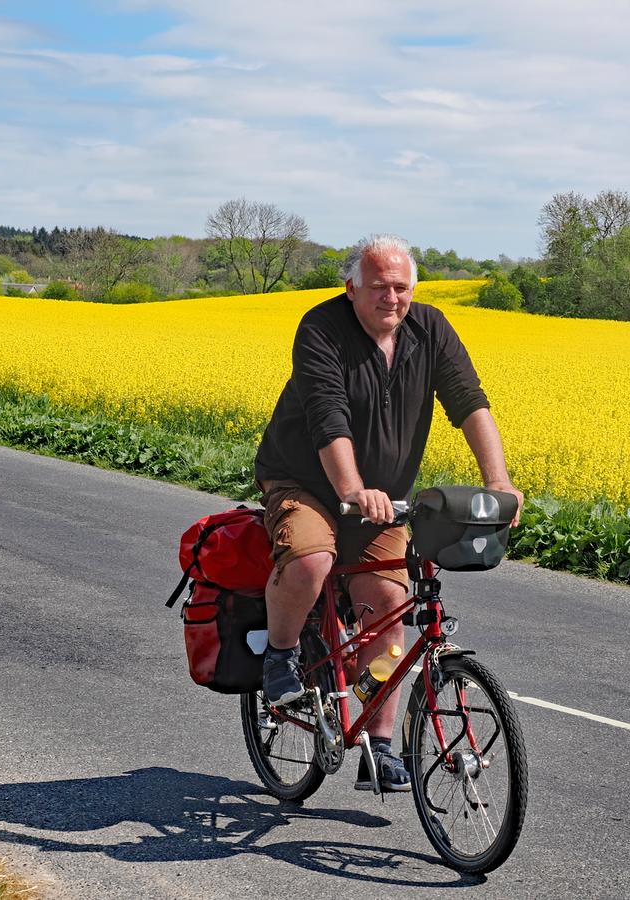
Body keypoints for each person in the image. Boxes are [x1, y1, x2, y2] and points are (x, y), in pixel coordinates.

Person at [254, 233, 523, 792]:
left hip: (383, 497)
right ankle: (280, 655)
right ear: (351, 287)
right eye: (378, 286)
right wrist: (352, 489)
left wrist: (498, 482)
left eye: (401, 287)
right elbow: (328, 417)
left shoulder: (430, 330)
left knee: (388, 602)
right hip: (306, 482)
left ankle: (378, 746)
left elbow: (469, 402)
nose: (391, 297)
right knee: (311, 560)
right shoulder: (321, 328)